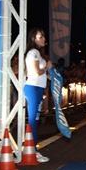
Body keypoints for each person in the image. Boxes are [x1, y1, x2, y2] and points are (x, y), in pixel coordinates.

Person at [24, 28, 52, 163]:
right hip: (32, 87)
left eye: (43, 37)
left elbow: (42, 74)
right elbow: (36, 72)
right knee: (32, 121)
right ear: (33, 39)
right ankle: (32, 150)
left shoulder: (38, 54)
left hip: (38, 88)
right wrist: (47, 66)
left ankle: (31, 149)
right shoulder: (33, 52)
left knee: (34, 120)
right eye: (40, 37)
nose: (43, 39)